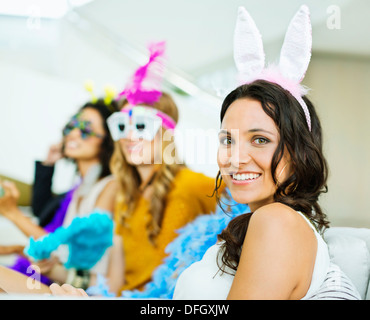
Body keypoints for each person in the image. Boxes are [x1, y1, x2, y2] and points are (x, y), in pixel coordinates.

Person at [172, 6, 361, 300]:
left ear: (299, 152)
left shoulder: (276, 222)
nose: (236, 158)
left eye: (260, 140)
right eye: (228, 140)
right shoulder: (274, 222)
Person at [0, 97, 120, 289]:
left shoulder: (110, 187)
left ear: (107, 140)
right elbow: (57, 242)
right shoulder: (80, 189)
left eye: (85, 129)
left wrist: (11, 213)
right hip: (64, 286)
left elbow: (67, 251)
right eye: (71, 125)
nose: (73, 133)